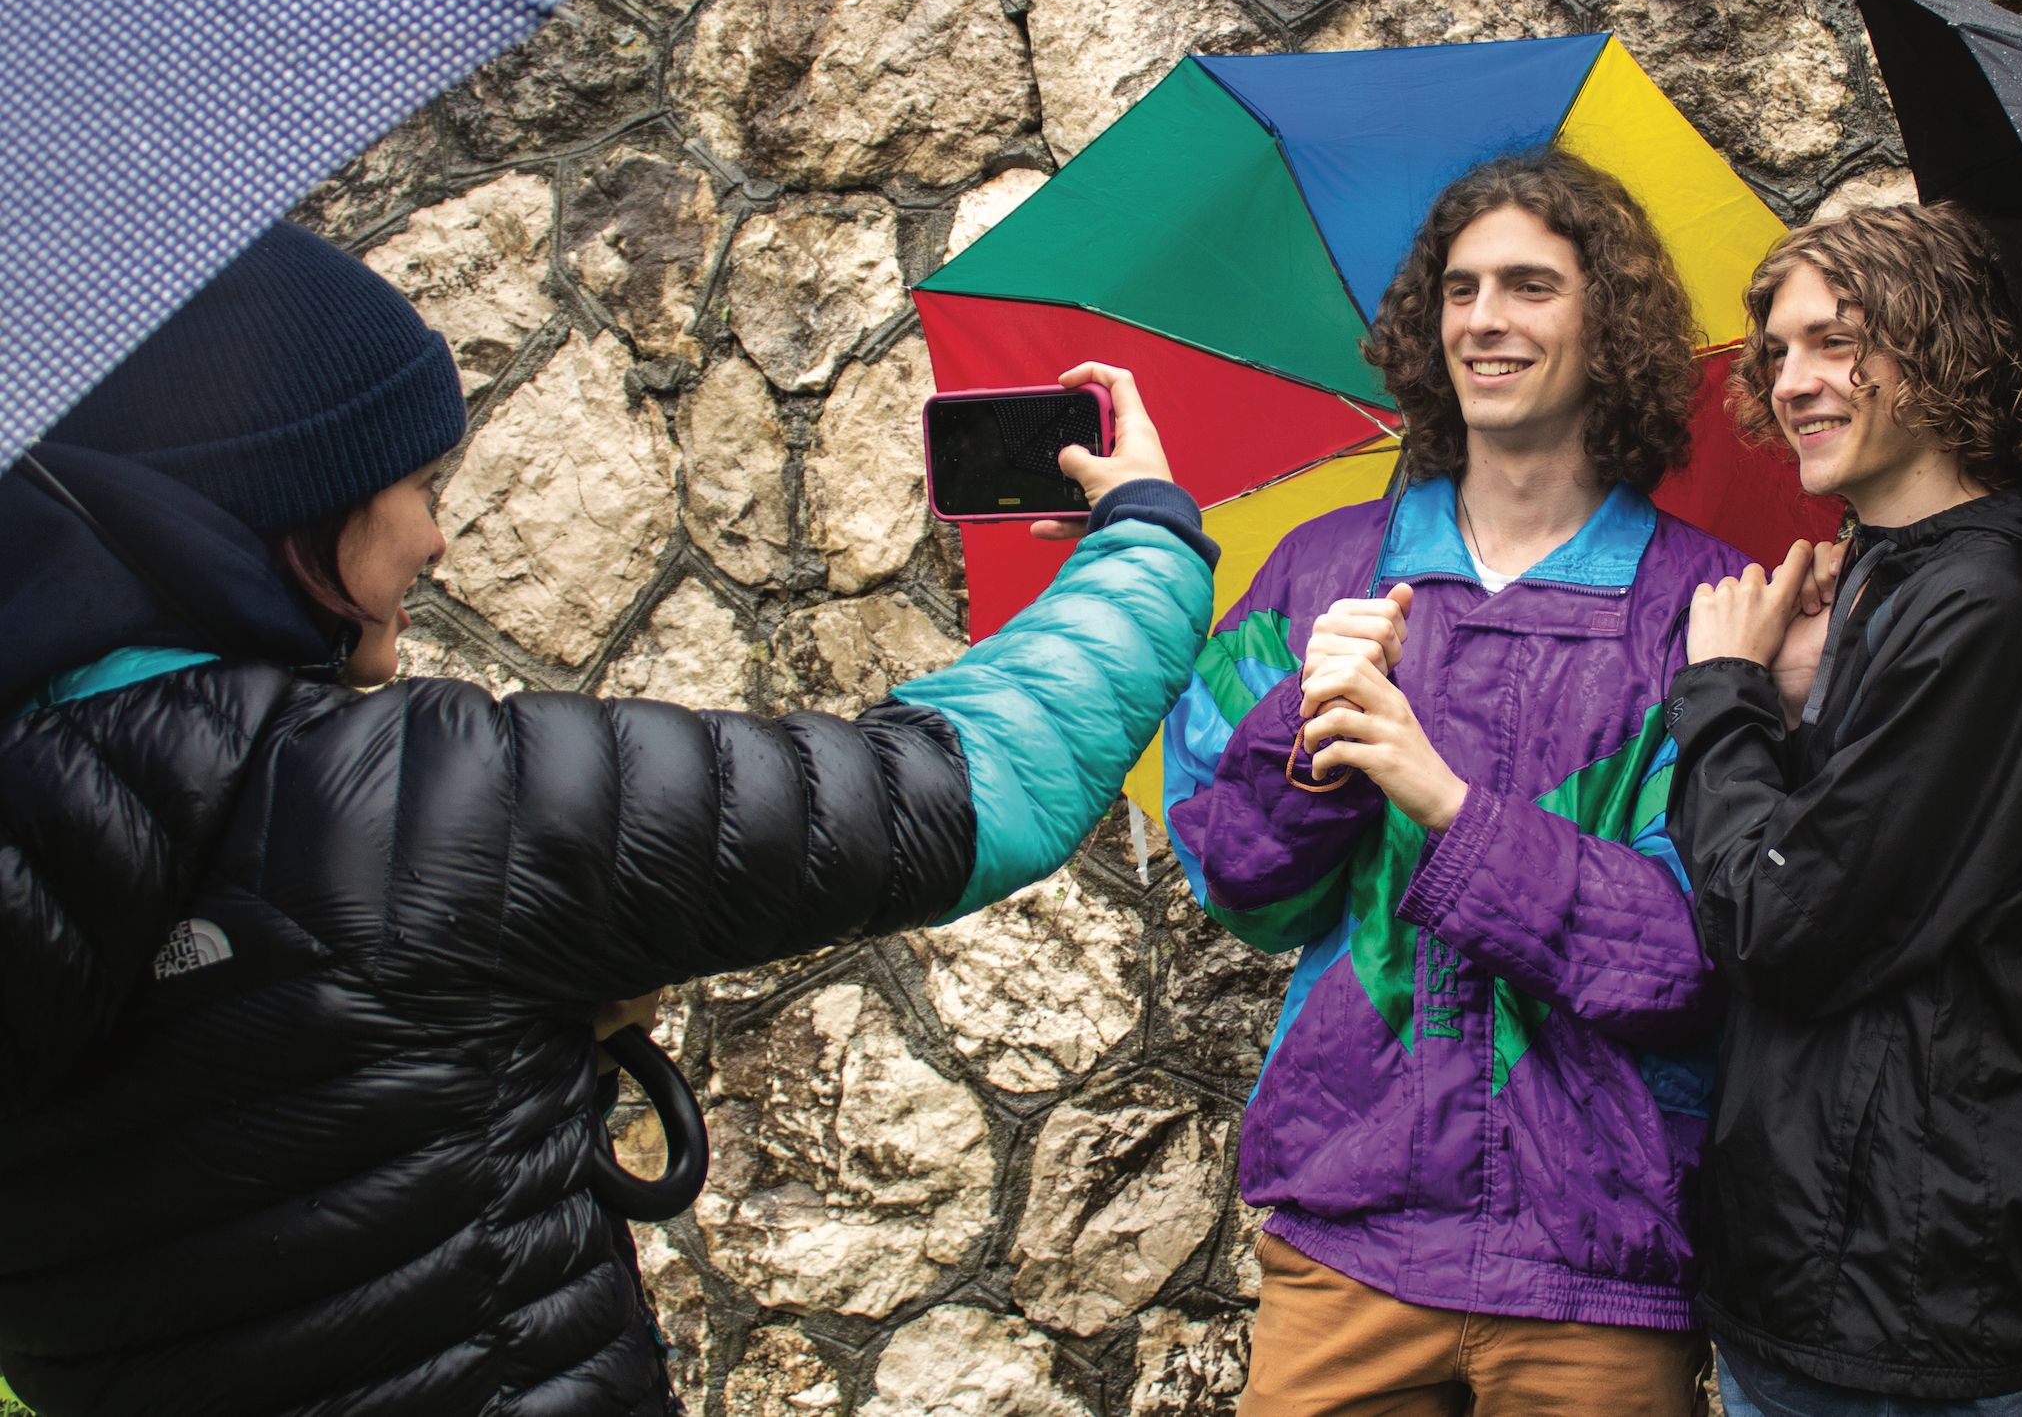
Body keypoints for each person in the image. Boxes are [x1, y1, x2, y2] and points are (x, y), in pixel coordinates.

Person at [0, 222, 1214, 1416]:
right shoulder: (412, 800)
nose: (434, 538)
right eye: (417, 487)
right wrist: (1150, 535)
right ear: (287, 504)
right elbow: (974, 790)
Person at [1163, 150, 1750, 1415]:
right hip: (1348, 1244)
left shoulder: (1703, 610)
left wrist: (1447, 805)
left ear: (1612, 324)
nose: (1486, 320)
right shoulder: (1321, 573)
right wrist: (1303, 733)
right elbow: (1235, 886)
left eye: (1531, 286)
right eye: (1462, 288)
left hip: (1596, 1260)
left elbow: (1693, 951)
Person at [1664, 202, 2022, 1415]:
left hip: (1883, 1278)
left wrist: (1724, 699)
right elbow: (1859, 864)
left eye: (1836, 342)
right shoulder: (1906, 582)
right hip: (1813, 1258)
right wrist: (1794, 703)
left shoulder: (1987, 603)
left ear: (1940, 351)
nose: (1792, 382)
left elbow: (1783, 923)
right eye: (1778, 352)